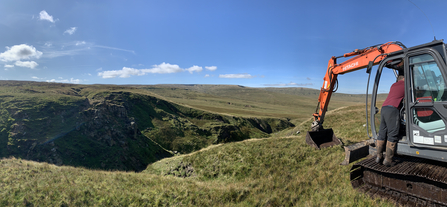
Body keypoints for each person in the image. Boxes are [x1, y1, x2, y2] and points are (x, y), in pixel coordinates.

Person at [376, 72, 405, 167]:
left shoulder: (393, 85)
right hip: (393, 109)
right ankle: (388, 160)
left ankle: (379, 156)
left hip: (384, 108)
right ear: (404, 79)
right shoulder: (405, 85)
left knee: (382, 133)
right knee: (392, 134)